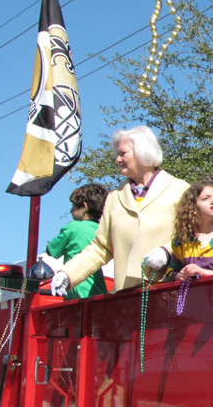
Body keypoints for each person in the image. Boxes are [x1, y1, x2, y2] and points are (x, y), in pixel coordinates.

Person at [51, 126, 190, 294]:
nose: (117, 159)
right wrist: (67, 274)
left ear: (143, 151)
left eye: (122, 153)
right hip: (126, 297)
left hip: (172, 292)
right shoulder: (114, 198)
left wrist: (168, 251)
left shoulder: (180, 189)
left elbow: (195, 233)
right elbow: (101, 248)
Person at [45, 184, 109, 300]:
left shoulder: (73, 227)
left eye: (74, 206)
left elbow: (51, 250)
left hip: (77, 295)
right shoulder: (103, 229)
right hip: (99, 293)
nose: (71, 210)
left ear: (84, 207)